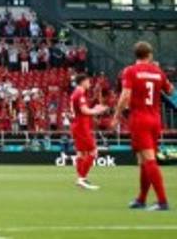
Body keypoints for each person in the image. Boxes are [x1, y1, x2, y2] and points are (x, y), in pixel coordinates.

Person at [114, 41, 172, 211]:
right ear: (150, 55)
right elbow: (170, 90)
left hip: (140, 119)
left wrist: (117, 115)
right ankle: (141, 199)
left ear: (136, 55)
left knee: (149, 160)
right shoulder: (158, 71)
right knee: (143, 160)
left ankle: (162, 201)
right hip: (155, 119)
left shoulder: (130, 71)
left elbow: (125, 95)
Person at [70, 72, 107, 190]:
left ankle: (81, 179)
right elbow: (84, 110)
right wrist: (97, 111)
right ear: (83, 82)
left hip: (78, 125)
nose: (89, 83)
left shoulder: (76, 93)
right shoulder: (80, 93)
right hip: (82, 126)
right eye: (88, 81)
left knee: (81, 153)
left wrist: (94, 109)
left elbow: (82, 110)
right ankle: (82, 178)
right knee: (93, 151)